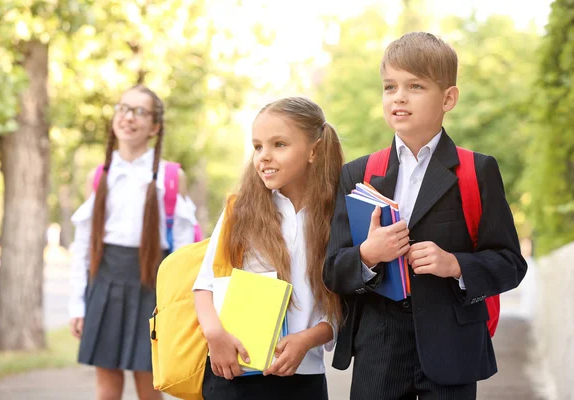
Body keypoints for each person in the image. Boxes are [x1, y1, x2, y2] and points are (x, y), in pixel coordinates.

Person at [323, 32, 528, 400]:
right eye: (390, 87)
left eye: (415, 86)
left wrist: (456, 265)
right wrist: (369, 254)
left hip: (452, 349)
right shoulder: (359, 173)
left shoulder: (477, 171)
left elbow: (511, 264)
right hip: (378, 350)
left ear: (448, 98)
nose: (398, 96)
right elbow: (333, 270)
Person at [192, 96, 343, 400]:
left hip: (304, 378)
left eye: (279, 145)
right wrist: (215, 335)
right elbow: (204, 285)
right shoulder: (240, 209)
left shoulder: (337, 216)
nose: (264, 156)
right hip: (237, 373)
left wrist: (308, 339)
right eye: (258, 146)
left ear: (313, 150)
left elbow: (342, 306)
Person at [68, 85, 199, 400]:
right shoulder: (99, 176)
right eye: (123, 108)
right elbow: (84, 245)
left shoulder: (170, 177)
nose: (128, 117)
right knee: (107, 389)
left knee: (150, 385)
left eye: (139, 111)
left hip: (151, 286)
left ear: (154, 127)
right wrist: (78, 303)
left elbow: (182, 251)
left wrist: (178, 308)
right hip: (105, 281)